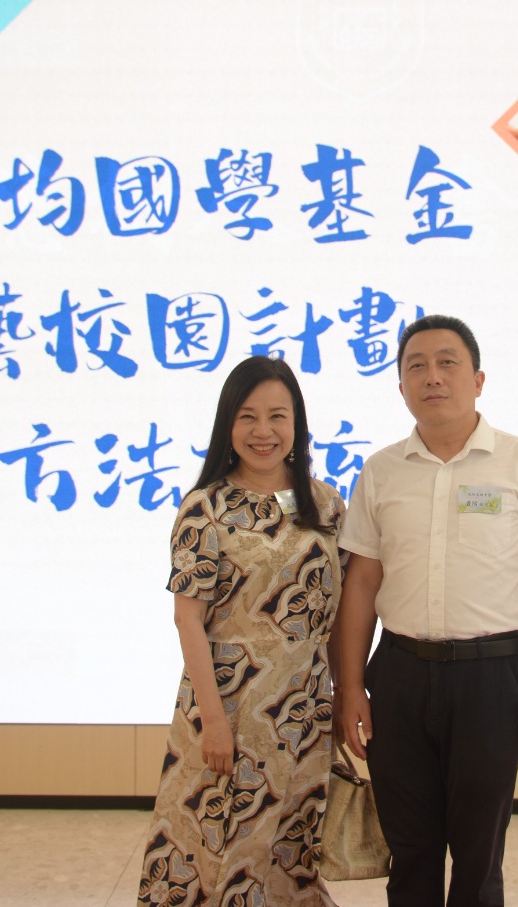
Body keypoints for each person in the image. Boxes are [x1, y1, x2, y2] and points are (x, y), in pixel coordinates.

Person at [334, 315, 518, 907]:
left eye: (448, 363)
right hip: (400, 676)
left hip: (490, 679)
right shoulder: (381, 470)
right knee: (410, 854)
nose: (432, 377)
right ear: (401, 387)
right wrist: (350, 686)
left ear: (478, 379)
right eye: (416, 366)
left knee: (478, 857)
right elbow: (361, 585)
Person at [139, 356, 344, 906]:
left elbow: (342, 608)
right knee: (221, 854)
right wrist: (213, 723)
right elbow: (188, 618)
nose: (263, 431)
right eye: (247, 416)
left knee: (291, 853)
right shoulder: (204, 507)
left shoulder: (326, 503)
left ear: (297, 423)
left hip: (303, 713)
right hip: (229, 709)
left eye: (277, 416)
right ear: (227, 423)